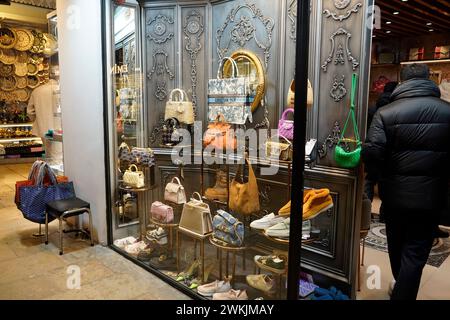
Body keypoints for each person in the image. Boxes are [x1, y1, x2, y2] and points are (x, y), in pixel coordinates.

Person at [362, 63, 450, 300]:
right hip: (432, 199)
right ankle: (403, 290)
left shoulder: (386, 113)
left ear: (401, 81)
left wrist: (381, 177)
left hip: (394, 197)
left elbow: (371, 155)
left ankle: (401, 290)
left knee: (396, 246)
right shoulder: (447, 111)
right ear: (429, 79)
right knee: (415, 252)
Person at [364, 82, 398, 223]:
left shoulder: (373, 107)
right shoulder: (395, 107)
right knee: (388, 184)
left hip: (373, 149)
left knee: (369, 182)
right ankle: (384, 215)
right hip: (388, 153)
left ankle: (366, 213)